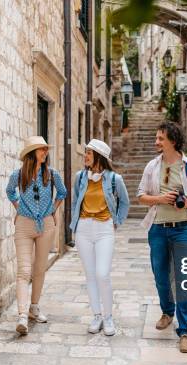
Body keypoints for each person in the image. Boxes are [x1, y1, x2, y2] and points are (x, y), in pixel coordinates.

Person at [137, 121, 187, 353]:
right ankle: (167, 312)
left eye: (160, 138)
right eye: (157, 138)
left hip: (183, 229)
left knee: (183, 278)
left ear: (173, 141)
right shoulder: (152, 166)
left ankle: (186, 330)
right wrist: (160, 199)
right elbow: (141, 195)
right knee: (160, 275)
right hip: (158, 228)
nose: (156, 142)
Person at [6, 136, 67, 335]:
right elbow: (10, 192)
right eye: (41, 149)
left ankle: (34, 307)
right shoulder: (18, 174)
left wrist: (52, 210)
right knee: (24, 271)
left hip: (46, 225)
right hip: (23, 224)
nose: (45, 152)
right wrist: (18, 206)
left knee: (39, 269)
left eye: (46, 149)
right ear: (32, 153)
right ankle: (22, 315)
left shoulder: (52, 174)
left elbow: (62, 193)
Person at [70, 139, 130, 336]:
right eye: (85, 152)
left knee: (102, 274)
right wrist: (75, 224)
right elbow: (74, 203)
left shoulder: (114, 179)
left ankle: (108, 317)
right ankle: (96, 315)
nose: (85, 156)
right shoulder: (80, 178)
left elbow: (125, 203)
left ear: (99, 156)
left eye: (88, 153)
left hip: (105, 229)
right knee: (90, 275)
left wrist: (117, 222)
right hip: (84, 230)